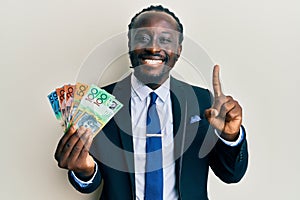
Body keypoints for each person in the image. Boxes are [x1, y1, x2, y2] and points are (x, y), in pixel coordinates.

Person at [54, 5, 248, 200]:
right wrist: (85, 171)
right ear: (130, 44)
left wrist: (230, 136)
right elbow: (90, 183)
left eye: (165, 40)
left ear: (178, 50)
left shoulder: (203, 101)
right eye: (143, 38)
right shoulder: (100, 102)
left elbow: (231, 174)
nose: (154, 48)